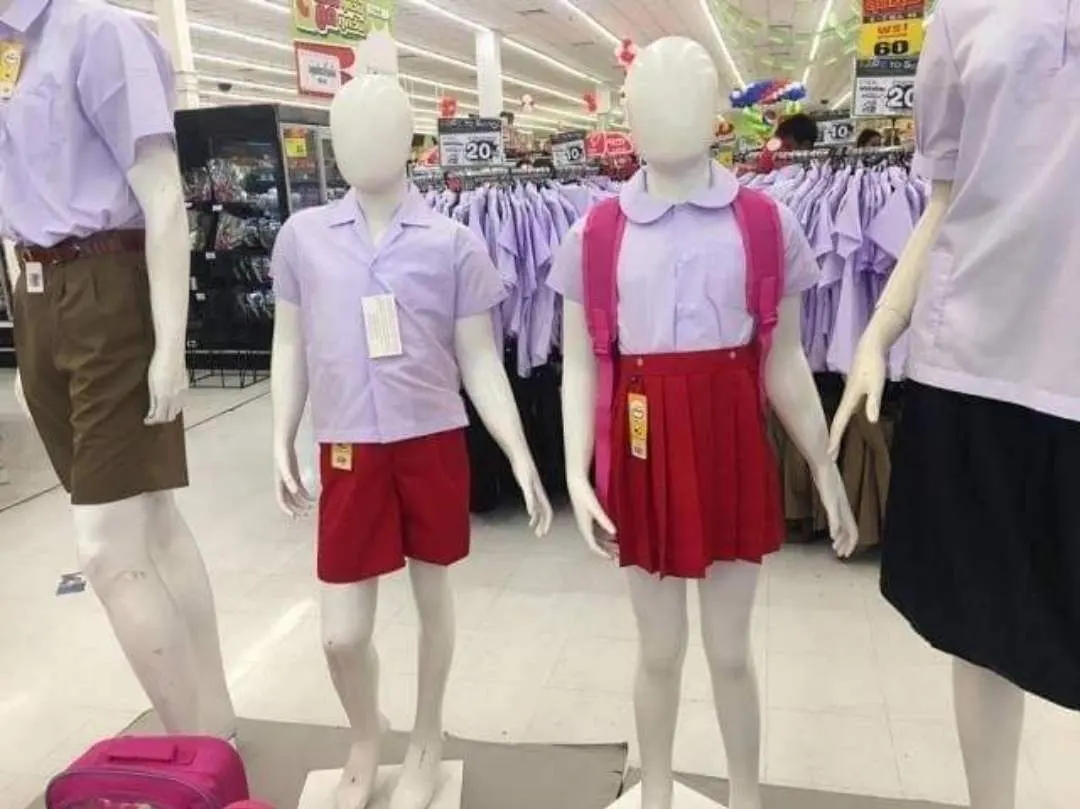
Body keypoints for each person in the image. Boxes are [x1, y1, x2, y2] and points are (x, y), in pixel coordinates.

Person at [754, 113, 819, 172]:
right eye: (778, 149)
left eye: (788, 147)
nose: (781, 154)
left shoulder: (816, 174)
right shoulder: (775, 169)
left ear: (805, 146)